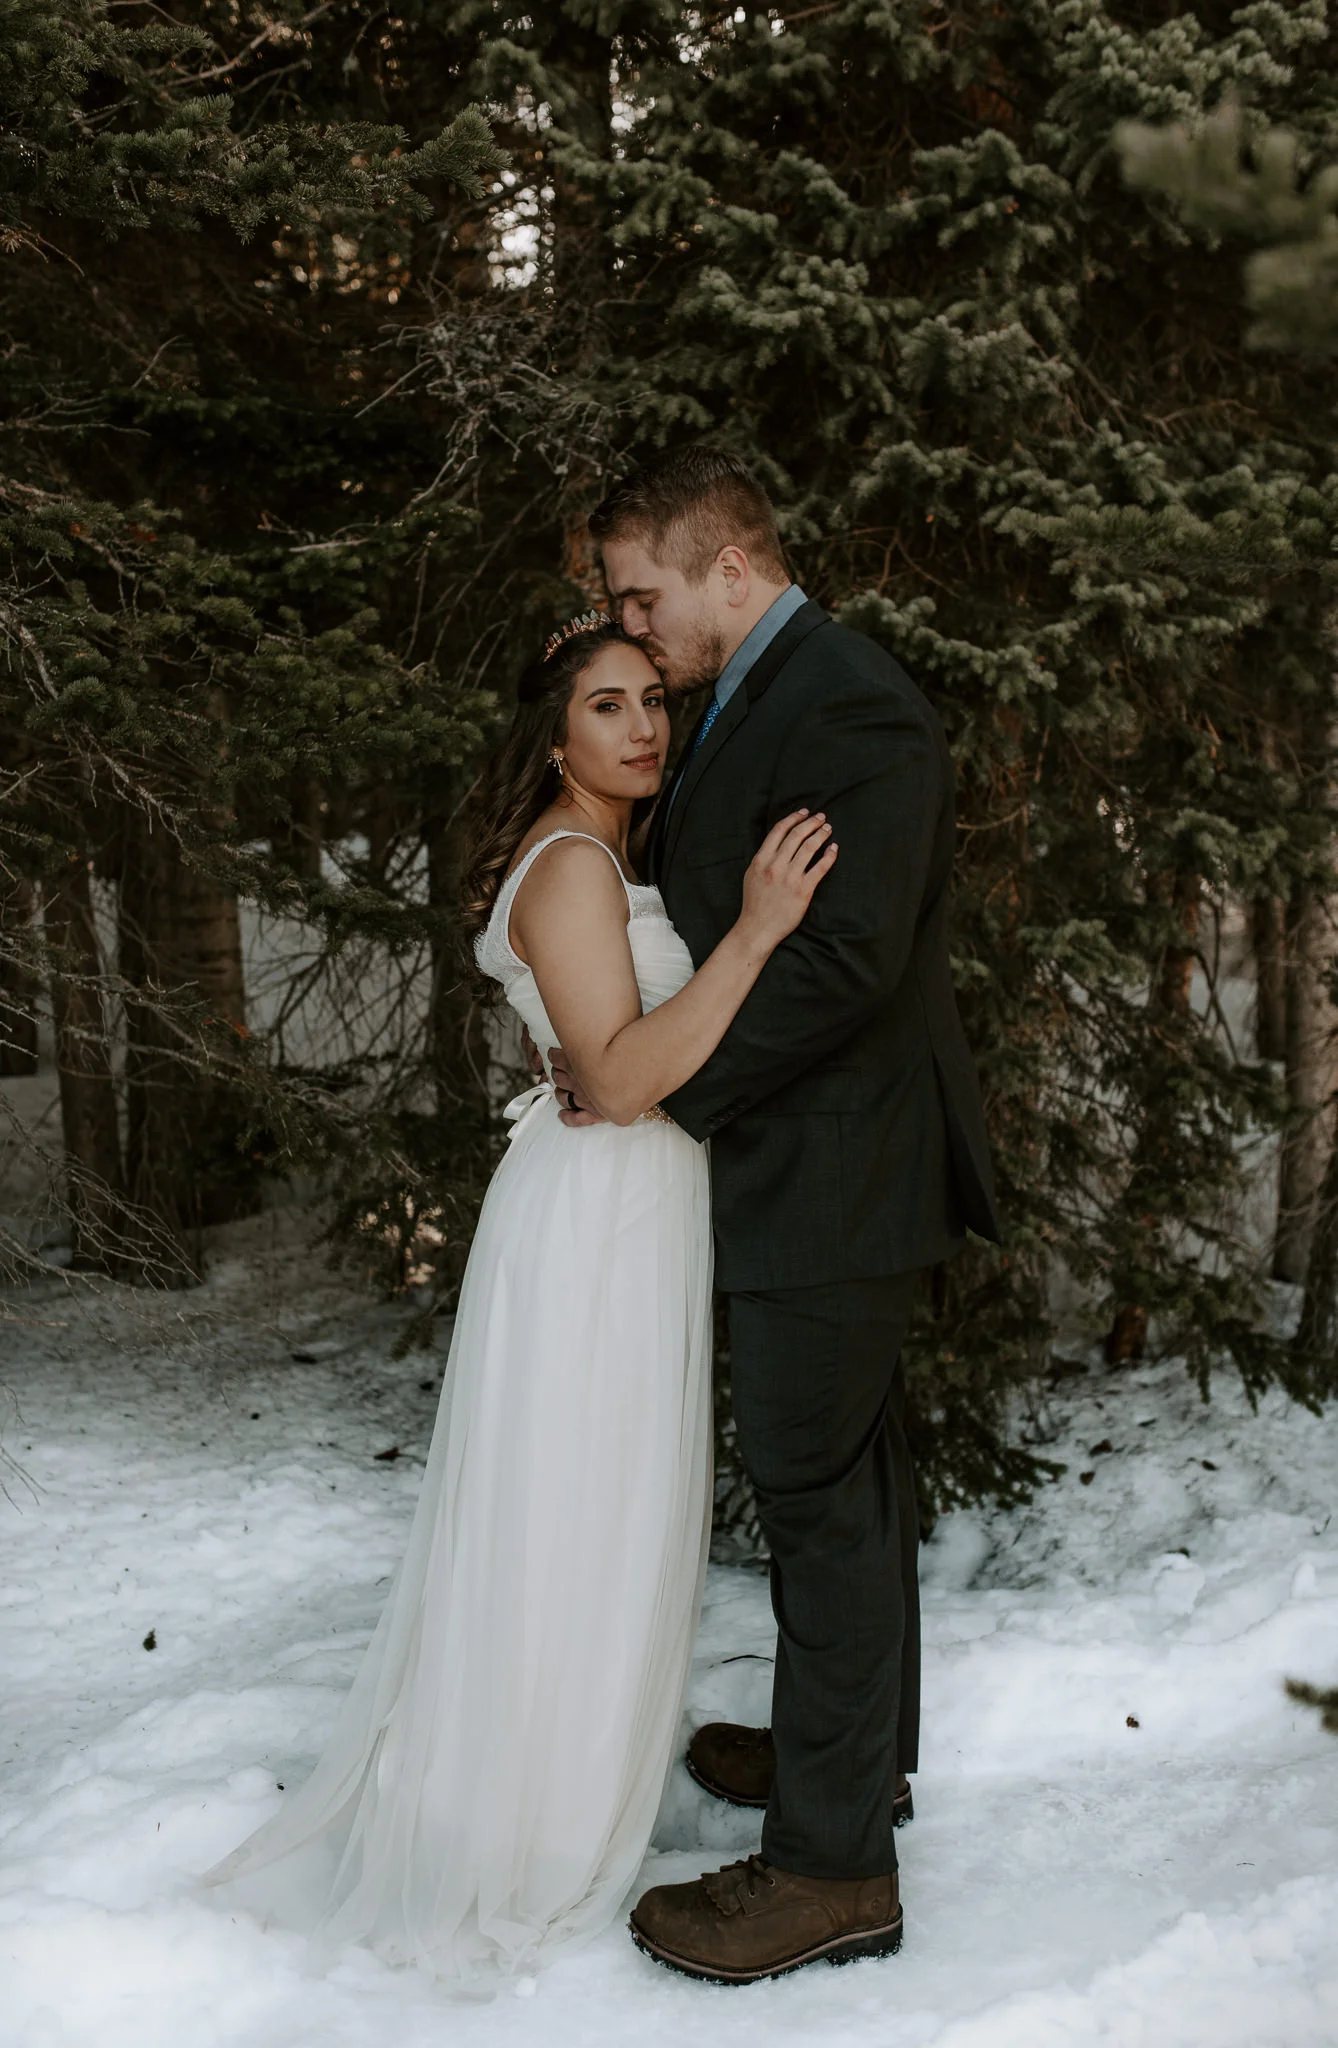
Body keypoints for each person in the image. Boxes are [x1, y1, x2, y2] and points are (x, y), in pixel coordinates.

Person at [198, 611, 836, 1989]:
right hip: (595, 1221)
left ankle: (565, 1790)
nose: (643, 726)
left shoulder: (608, 856)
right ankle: (529, 1831)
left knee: (604, 1509)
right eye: (607, 706)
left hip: (630, 1208)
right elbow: (618, 1079)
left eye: (652, 698)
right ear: (554, 739)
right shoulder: (568, 866)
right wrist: (757, 934)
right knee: (574, 1514)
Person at [549, 449, 1000, 1985]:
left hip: (835, 1170)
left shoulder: (849, 703)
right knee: (846, 1484)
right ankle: (849, 1761)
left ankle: (829, 1871)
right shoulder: (761, 688)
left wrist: (657, 1087)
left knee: (816, 1499)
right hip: (813, 1160)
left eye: (642, 596)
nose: (631, 624)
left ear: (729, 568)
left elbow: (843, 961)